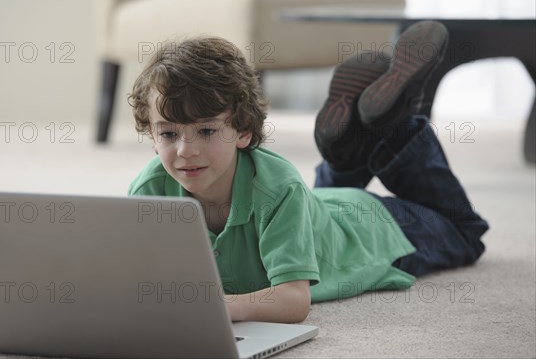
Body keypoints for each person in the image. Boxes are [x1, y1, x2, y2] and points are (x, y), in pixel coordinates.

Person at [127, 21, 489, 323]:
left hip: (372, 230)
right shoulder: (149, 190)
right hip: (316, 210)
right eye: (168, 133)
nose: (185, 151)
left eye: (206, 131)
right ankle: (348, 147)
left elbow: (293, 301)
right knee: (306, 206)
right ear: (151, 132)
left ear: (244, 131)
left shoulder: (279, 189)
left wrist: (216, 307)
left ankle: (399, 126)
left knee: (465, 232)